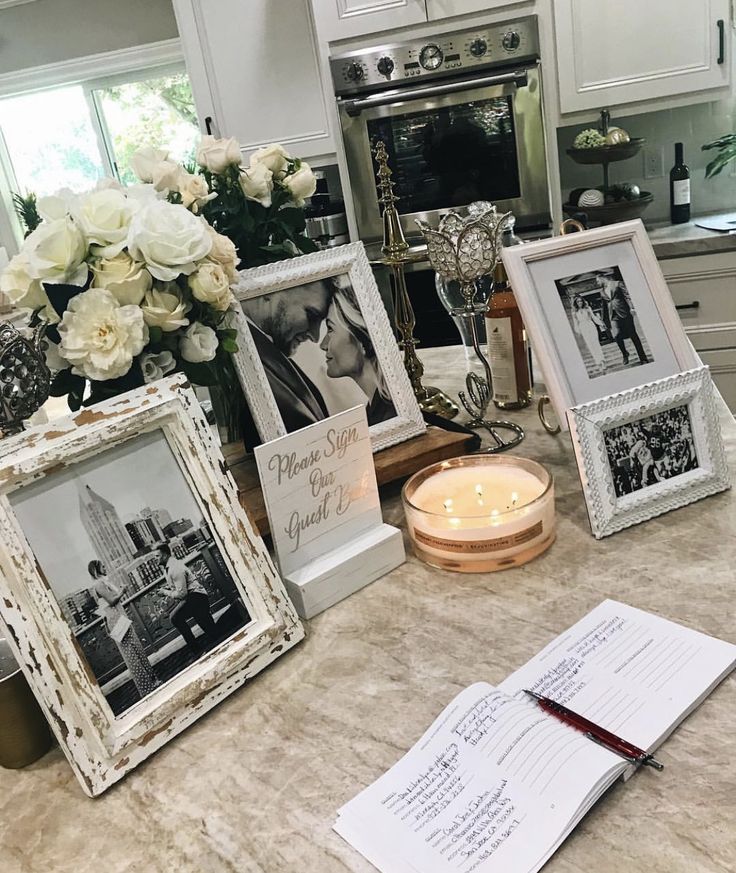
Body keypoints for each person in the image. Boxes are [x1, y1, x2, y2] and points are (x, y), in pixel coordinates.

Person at [240, 280, 332, 432]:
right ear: (270, 291)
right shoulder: (245, 357)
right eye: (311, 315)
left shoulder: (269, 352)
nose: (315, 337)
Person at [319, 286, 397, 425]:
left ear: (361, 338)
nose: (323, 345)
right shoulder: (377, 410)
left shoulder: (390, 416)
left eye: (330, 329)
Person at [88, 560, 159, 698]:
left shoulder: (103, 582)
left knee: (137, 650)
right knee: (132, 655)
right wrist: (123, 591)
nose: (105, 567)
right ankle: (146, 688)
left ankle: (152, 681)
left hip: (120, 616)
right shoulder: (98, 584)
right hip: (116, 620)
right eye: (102, 566)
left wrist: (120, 591)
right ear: (96, 570)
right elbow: (112, 601)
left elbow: (113, 599)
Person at [158, 543, 217, 656]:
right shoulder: (168, 567)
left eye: (157, 556)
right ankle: (198, 649)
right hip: (193, 598)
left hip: (196, 597)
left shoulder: (174, 568)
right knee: (212, 630)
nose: (155, 559)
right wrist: (168, 590)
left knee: (175, 618)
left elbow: (182, 594)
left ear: (164, 555)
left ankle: (197, 650)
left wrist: (165, 592)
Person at [599, 276, 649, 367]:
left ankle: (643, 358)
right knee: (616, 336)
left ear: (603, 278)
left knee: (633, 335)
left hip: (624, 312)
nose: (597, 283)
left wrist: (632, 307)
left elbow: (627, 295)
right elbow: (604, 306)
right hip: (613, 316)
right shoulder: (601, 291)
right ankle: (625, 354)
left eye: (597, 280)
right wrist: (603, 320)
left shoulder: (617, 283)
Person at [570, 295, 607, 373]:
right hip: (583, 327)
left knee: (596, 343)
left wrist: (601, 323)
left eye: (581, 301)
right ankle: (598, 363)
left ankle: (603, 361)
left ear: (583, 301)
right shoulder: (574, 312)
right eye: (578, 301)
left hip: (590, 325)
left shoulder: (588, 308)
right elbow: (575, 323)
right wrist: (578, 330)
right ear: (576, 303)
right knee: (590, 345)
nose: (580, 303)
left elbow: (594, 317)